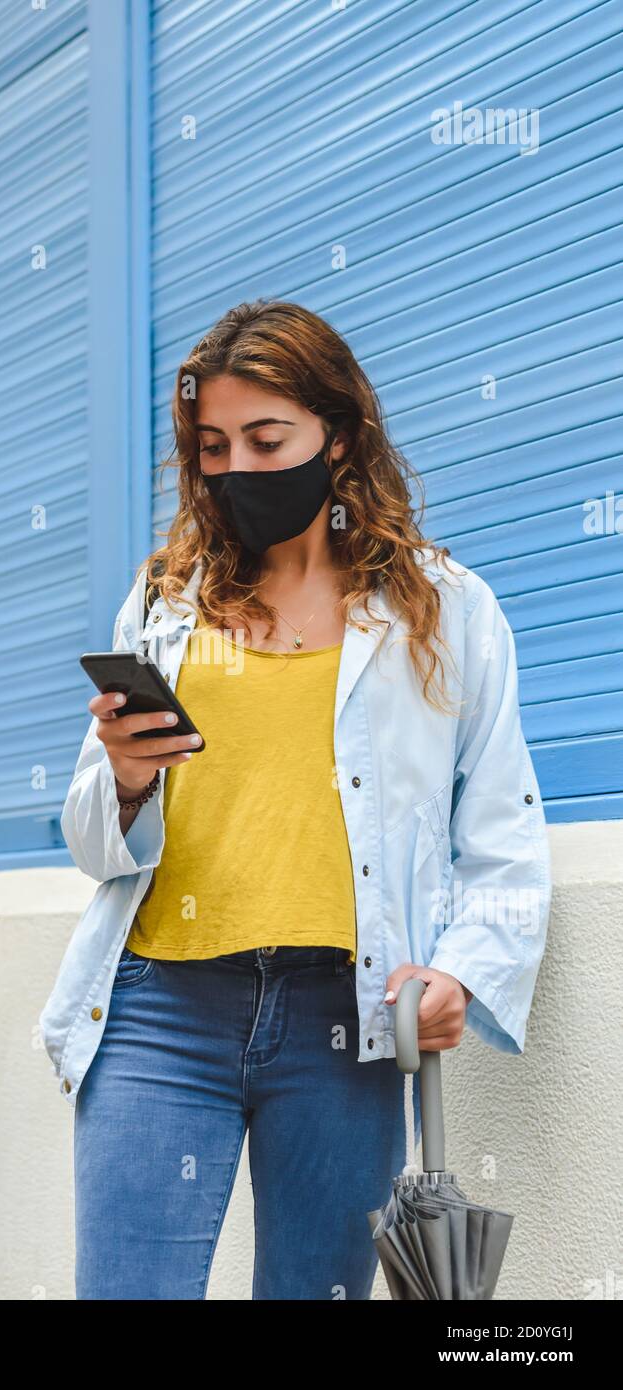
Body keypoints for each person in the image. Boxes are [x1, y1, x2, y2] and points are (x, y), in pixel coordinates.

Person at [39, 299, 552, 1300]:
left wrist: (462, 970)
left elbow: (504, 835)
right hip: (158, 1011)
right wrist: (130, 779)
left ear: (340, 433)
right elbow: (94, 842)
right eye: (214, 446)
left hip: (341, 1023)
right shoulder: (165, 602)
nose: (237, 469)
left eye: (267, 439)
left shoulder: (445, 612)